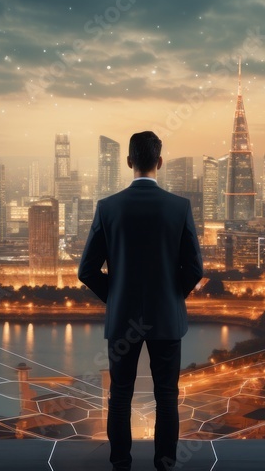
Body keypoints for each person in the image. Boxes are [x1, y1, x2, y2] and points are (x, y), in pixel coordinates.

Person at [78, 131, 203, 471]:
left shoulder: (108, 208)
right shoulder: (179, 207)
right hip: (165, 317)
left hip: (124, 320)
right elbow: (194, 267)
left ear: (129, 161)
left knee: (120, 396)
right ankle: (165, 465)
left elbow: (86, 270)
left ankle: (120, 464)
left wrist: (117, 298)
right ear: (159, 162)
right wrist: (171, 296)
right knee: (166, 396)